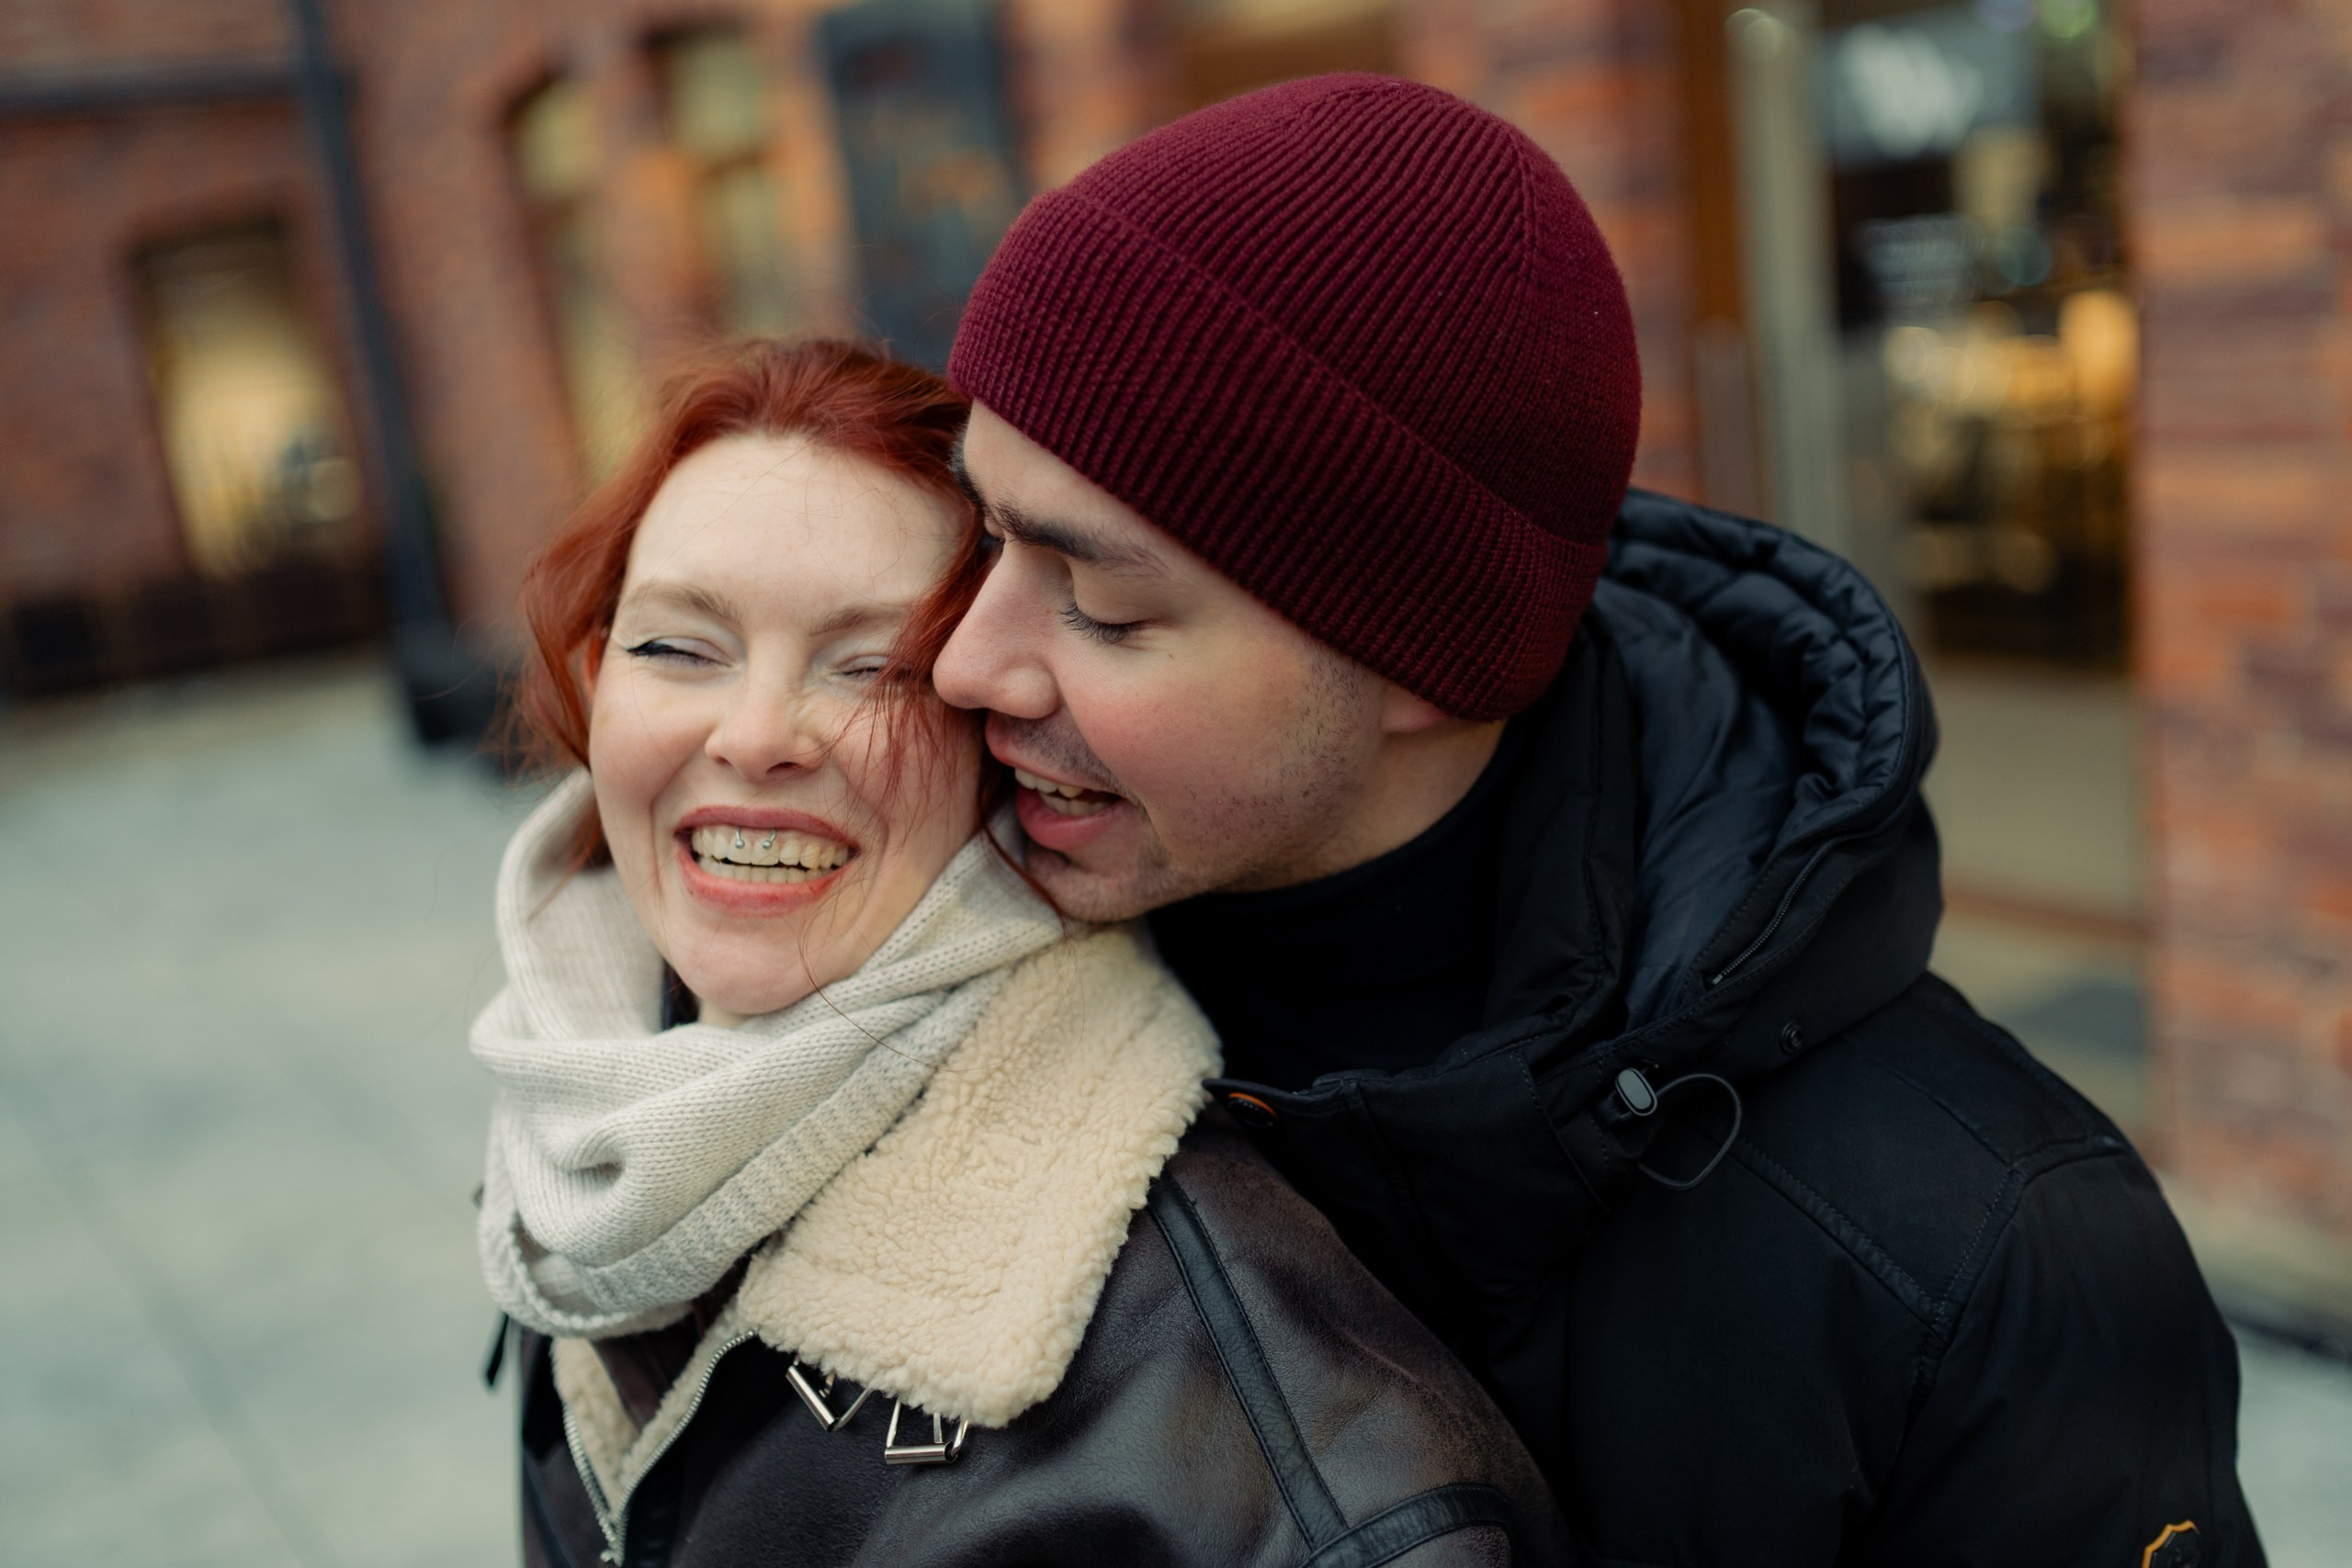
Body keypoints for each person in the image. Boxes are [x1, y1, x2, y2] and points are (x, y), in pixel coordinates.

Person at [932, 74, 2260, 1568]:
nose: (965, 661)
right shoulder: (938, 995)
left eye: (1102, 600)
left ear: (1417, 657)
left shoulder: (1980, 1259)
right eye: (984, 531)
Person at [474, 337, 1570, 1568]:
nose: (759, 734)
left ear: (999, 740)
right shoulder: (593, 1120)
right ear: (591, 674)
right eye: (678, 646)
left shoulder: (1303, 1476)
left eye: (876, 668)